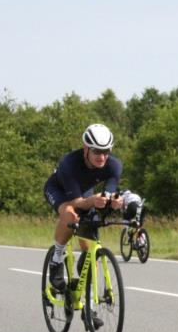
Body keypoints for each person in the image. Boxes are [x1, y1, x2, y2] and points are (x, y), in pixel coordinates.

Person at [43, 123, 124, 291]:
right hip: (59, 190)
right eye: (96, 151)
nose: (102, 157)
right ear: (85, 148)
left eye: (106, 151)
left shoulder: (114, 166)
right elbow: (76, 202)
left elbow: (107, 194)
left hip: (84, 193)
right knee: (70, 214)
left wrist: (114, 202)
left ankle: (89, 305)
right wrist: (93, 201)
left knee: (90, 246)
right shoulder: (69, 163)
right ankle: (57, 258)